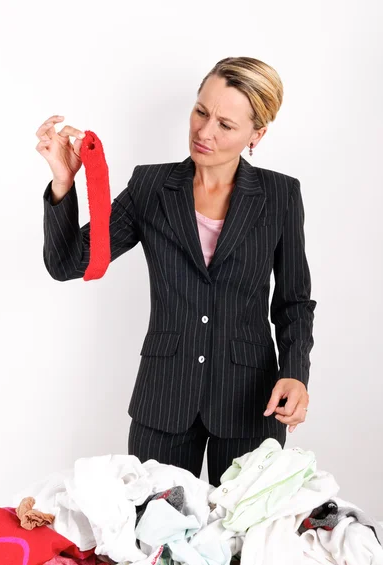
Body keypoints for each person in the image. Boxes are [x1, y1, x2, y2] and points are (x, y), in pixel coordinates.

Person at [36, 56, 316, 486]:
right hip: (164, 396)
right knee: (152, 541)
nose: (204, 132)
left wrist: (295, 371)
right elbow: (67, 263)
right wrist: (62, 181)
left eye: (226, 124)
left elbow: (293, 301)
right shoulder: (151, 187)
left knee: (243, 544)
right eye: (201, 112)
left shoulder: (280, 195)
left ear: (256, 134)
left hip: (250, 401)